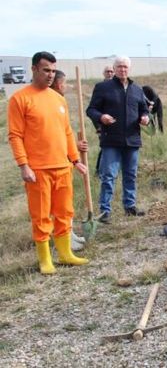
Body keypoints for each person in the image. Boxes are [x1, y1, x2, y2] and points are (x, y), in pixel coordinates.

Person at [7, 51, 89, 274]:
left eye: (53, 71)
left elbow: (66, 132)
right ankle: (45, 260)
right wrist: (24, 165)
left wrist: (74, 160)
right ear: (34, 69)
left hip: (62, 167)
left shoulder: (58, 99)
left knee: (65, 212)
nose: (50, 75)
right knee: (41, 215)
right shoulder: (20, 99)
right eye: (46, 70)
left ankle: (65, 254)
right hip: (38, 170)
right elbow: (15, 135)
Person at [86, 56, 150, 224]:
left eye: (125, 67)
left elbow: (144, 109)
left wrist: (145, 117)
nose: (123, 70)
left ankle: (130, 206)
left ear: (129, 69)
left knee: (130, 174)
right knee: (108, 176)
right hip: (111, 140)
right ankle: (105, 211)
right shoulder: (103, 87)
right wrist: (101, 117)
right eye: (120, 67)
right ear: (114, 69)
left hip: (132, 139)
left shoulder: (137, 88)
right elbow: (91, 109)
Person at [50, 69, 89, 251]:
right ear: (59, 84)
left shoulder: (60, 102)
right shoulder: (51, 102)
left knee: (66, 203)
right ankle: (63, 239)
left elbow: (64, 133)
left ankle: (69, 234)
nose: (66, 86)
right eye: (65, 83)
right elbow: (54, 136)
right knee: (58, 205)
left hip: (65, 161)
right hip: (54, 161)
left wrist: (75, 148)